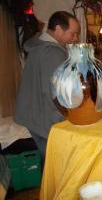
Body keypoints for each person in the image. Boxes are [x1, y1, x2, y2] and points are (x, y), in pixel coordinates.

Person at [14, 11, 80, 157]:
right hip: (41, 118)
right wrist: (66, 119)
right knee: (54, 162)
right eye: (73, 33)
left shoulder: (40, 45)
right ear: (57, 29)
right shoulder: (53, 54)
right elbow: (54, 94)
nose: (75, 38)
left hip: (31, 112)